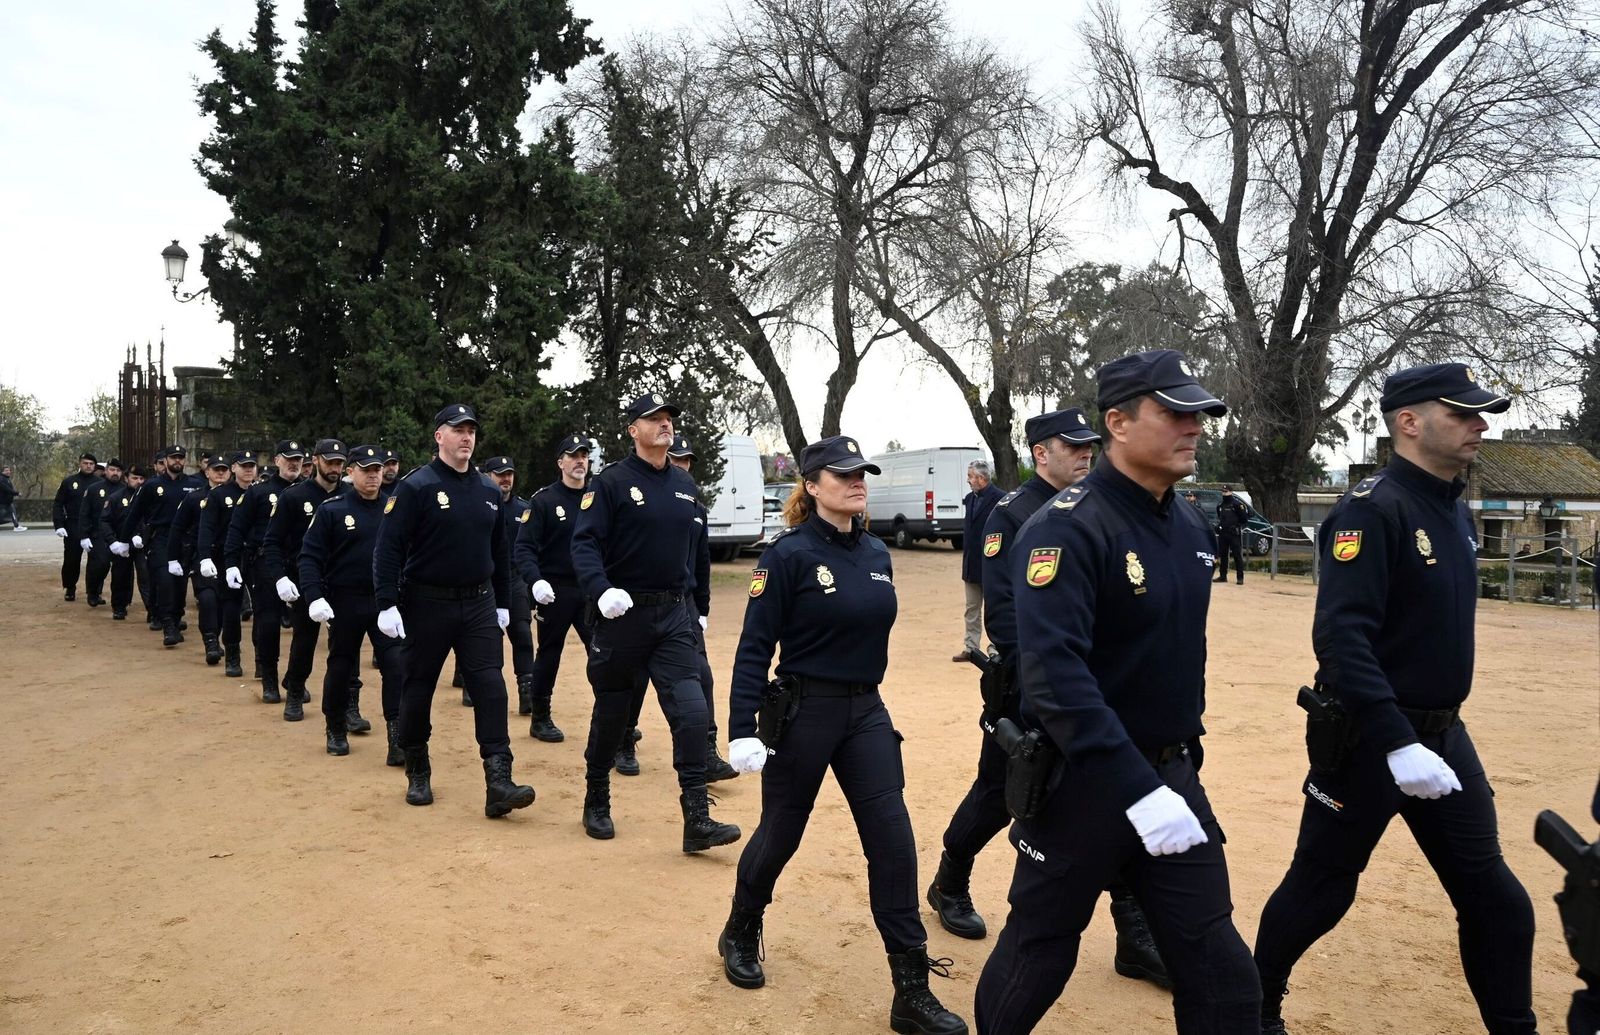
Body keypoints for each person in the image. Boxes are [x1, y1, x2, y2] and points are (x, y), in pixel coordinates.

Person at [973, 349, 1259, 1034]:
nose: (1194, 425)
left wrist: (1176, 762)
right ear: (1119, 423)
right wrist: (1138, 788)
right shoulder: (1067, 528)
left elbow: (1178, 652)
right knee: (1039, 951)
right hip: (1084, 785)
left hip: (1169, 777)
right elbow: (1057, 681)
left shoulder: (1189, 525)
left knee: (1224, 975)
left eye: (1199, 413)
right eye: (1175, 411)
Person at [1253, 363, 1538, 1035]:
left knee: (1495, 897)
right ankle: (1255, 1007)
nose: (1481, 424)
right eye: (1464, 413)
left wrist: (1424, 739)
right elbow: (1341, 637)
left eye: (1481, 413)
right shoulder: (1372, 508)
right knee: (1321, 887)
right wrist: (1395, 738)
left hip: (1442, 739)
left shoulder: (1454, 506)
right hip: (1367, 738)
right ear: (1409, 422)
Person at [717, 435, 967, 1035]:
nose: (857, 481)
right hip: (805, 713)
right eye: (843, 474)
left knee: (894, 843)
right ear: (811, 485)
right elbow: (754, 648)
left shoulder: (877, 551)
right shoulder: (787, 556)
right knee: (781, 833)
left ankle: (911, 989)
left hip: (866, 714)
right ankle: (741, 927)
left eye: (862, 473)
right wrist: (741, 727)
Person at [926, 408, 1169, 986]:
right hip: (1027, 687)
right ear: (1040, 452)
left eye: (1091, 444)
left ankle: (1133, 932)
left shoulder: (1103, 510)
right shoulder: (1009, 516)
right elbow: (1007, 616)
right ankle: (949, 878)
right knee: (1000, 793)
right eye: (1073, 445)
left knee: (1114, 794)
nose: (1087, 452)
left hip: (1100, 690)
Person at [569, 393, 739, 852]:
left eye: (668, 419)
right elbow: (583, 544)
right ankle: (596, 797)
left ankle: (697, 818)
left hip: (673, 616)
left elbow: (695, 553)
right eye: (654, 419)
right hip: (623, 616)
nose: (665, 425)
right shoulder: (610, 483)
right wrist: (601, 590)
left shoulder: (685, 488)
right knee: (613, 712)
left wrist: (698, 606)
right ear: (633, 430)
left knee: (691, 711)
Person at [373, 403, 536, 819]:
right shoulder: (417, 487)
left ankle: (498, 779)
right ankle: (417, 766)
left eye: (471, 431)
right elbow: (388, 548)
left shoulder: (486, 489)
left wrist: (502, 601)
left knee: (491, 687)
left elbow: (499, 550)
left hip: (478, 604)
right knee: (419, 686)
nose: (466, 437)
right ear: (439, 436)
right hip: (426, 603)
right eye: (457, 430)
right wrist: (386, 603)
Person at [619, 433, 738, 782]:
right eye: (677, 458)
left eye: (687, 460)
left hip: (683, 603)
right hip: (643, 601)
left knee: (702, 674)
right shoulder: (643, 498)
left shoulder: (694, 508)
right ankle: (624, 740)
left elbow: (701, 562)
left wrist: (702, 609)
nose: (683, 466)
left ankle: (707, 749)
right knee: (637, 677)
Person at [299, 446, 406, 759]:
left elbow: (409, 554)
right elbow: (309, 556)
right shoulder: (332, 509)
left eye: (377, 469)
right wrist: (314, 595)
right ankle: (335, 726)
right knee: (341, 665)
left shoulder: (394, 508)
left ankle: (397, 735)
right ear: (350, 472)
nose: (373, 475)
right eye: (365, 469)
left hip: (385, 601)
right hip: (345, 600)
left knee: (396, 666)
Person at [262, 440, 354, 726]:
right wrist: (280, 577)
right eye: (330, 462)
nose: (336, 468)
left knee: (346, 644)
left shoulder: (352, 496)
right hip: (305, 577)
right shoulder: (293, 496)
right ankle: (295, 689)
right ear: (315, 461)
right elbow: (272, 542)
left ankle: (349, 703)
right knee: (305, 639)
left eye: (340, 463)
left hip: (342, 580)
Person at [514, 434, 592, 744]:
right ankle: (540, 717)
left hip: (591, 591)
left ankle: (614, 716)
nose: (579, 460)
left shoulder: (598, 498)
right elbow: (523, 548)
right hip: (554, 590)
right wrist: (536, 581)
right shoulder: (544, 500)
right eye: (572, 455)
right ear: (560, 462)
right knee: (549, 653)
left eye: (584, 455)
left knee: (604, 654)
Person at [225, 441, 306, 707]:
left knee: (304, 627)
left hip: (301, 564)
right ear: (276, 460)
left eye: (298, 459)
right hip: (265, 564)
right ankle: (270, 678)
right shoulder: (259, 492)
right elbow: (237, 528)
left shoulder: (308, 491)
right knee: (269, 622)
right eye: (288, 458)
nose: (294, 463)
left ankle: (295, 678)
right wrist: (231, 563)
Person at [115, 446, 204, 646]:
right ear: (165, 460)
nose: (177, 461)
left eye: (181, 458)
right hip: (160, 538)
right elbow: (135, 513)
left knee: (180, 585)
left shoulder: (195, 484)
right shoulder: (151, 485)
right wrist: (124, 539)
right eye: (174, 458)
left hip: (185, 540)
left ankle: (175, 616)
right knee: (165, 581)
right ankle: (168, 626)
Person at [480, 455, 536, 722]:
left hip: (514, 580)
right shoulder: (479, 504)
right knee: (484, 639)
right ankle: (473, 685)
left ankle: (527, 692)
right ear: (487, 475)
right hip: (483, 581)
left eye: (509, 473)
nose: (506, 478)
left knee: (523, 635)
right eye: (499, 473)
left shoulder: (524, 509)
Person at [195, 452, 258, 675]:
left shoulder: (261, 493)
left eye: (252, 466)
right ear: (234, 468)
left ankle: (262, 658)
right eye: (244, 466)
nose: (249, 470)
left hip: (256, 556)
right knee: (231, 607)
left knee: (262, 607)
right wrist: (204, 557)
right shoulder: (219, 495)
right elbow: (206, 528)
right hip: (227, 557)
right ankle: (232, 655)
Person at [168, 455, 233, 665]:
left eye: (224, 469)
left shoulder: (238, 497)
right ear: (207, 472)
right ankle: (211, 641)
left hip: (228, 556)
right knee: (207, 598)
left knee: (224, 600)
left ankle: (217, 633)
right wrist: (173, 557)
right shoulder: (195, 498)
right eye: (216, 469)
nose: (220, 473)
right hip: (201, 555)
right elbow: (177, 527)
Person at [955, 460, 1004, 663]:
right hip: (971, 565)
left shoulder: (1000, 499)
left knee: (995, 610)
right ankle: (970, 647)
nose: (968, 480)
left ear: (981, 478)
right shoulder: (969, 499)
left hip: (992, 566)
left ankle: (998, 648)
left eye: (970, 476)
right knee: (971, 608)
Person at [79, 459, 126, 608]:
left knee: (121, 570)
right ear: (106, 471)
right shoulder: (94, 489)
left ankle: (120, 600)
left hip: (118, 534)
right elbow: (84, 513)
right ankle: (93, 592)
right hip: (98, 533)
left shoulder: (125, 489)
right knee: (100, 564)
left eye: (118, 471)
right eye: (112, 470)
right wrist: (84, 536)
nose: (115, 473)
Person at [53, 453, 98, 601]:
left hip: (93, 527)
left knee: (96, 561)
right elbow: (58, 504)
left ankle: (93, 591)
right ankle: (70, 587)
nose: (88, 466)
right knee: (72, 559)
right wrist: (59, 525)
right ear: (80, 463)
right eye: (85, 463)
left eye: (91, 463)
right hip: (73, 525)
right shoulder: (69, 482)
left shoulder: (99, 483)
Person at [1214, 487, 1249, 585]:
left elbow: (1244, 520)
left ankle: (1240, 577)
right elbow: (1220, 518)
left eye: (1226, 492)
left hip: (1233, 534)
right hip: (1223, 533)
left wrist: (1237, 526)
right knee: (1223, 555)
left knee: (1237, 555)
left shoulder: (1237, 504)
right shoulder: (1220, 505)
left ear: (1231, 492)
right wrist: (1218, 526)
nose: (1224, 493)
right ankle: (1223, 576)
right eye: (1222, 492)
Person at [0, 465, 22, 530]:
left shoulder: (7, 479)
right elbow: (6, 489)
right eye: (6, 470)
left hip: (8, 502)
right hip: (2, 502)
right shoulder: (1, 479)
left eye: (9, 470)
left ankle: (16, 526)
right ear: (2, 472)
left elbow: (9, 489)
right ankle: (16, 526)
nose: (8, 472)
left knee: (13, 512)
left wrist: (15, 493)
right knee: (2, 517)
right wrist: (17, 493)